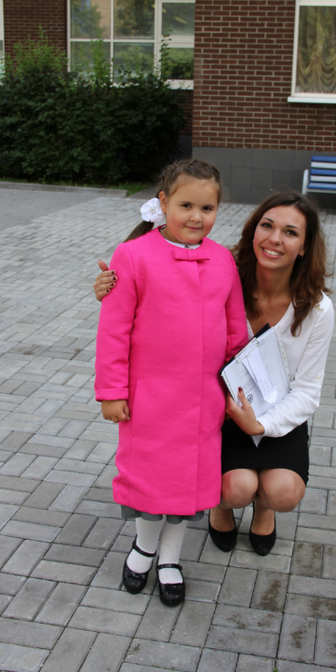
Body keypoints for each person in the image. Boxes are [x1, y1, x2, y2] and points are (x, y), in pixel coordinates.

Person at [95, 189, 334, 559]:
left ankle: (265, 509)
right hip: (222, 411)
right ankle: (221, 508)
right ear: (253, 231)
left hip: (277, 414)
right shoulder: (223, 271)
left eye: (290, 232)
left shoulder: (317, 309)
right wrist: (112, 287)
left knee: (282, 491)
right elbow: (161, 289)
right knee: (235, 488)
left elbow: (307, 392)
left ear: (304, 246)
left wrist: (262, 425)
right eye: (267, 226)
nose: (274, 239)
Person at [95, 158, 248, 607]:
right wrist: (111, 392)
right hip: (149, 400)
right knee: (150, 479)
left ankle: (171, 558)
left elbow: (235, 328)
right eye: (186, 205)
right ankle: (144, 548)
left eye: (207, 208)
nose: (196, 217)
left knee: (189, 484)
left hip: (203, 401)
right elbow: (114, 330)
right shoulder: (134, 256)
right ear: (163, 202)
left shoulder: (222, 259)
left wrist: (239, 386)